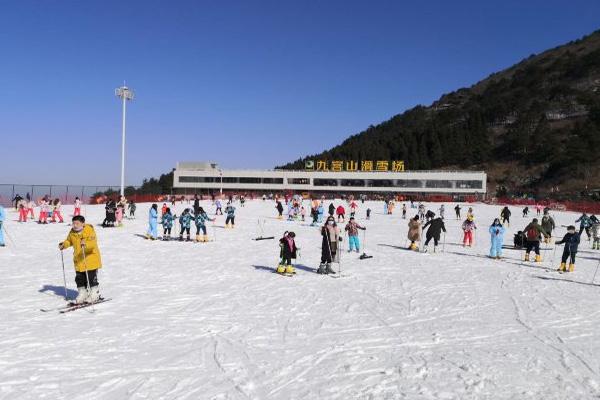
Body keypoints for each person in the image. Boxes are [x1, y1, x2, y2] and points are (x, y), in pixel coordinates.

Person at [58, 215, 102, 304]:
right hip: (79, 260)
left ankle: (94, 293)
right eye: (73, 223)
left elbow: (92, 243)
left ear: (83, 223)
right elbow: (69, 241)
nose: (75, 225)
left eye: (77, 223)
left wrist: (85, 243)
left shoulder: (89, 230)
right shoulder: (72, 232)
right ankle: (83, 293)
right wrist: (64, 244)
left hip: (90, 259)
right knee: (79, 278)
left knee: (90, 277)